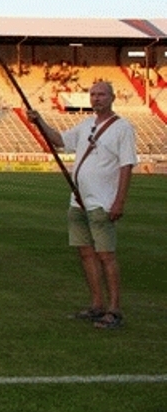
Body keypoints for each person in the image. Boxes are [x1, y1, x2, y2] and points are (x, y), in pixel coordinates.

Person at [27, 81, 137, 329]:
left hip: (102, 201)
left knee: (106, 255)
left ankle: (114, 309)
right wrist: (40, 121)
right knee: (85, 253)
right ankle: (97, 304)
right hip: (78, 201)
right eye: (93, 94)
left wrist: (119, 201)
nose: (97, 98)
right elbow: (59, 140)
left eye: (101, 94)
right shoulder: (86, 124)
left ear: (112, 97)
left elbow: (126, 165)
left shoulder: (122, 128)